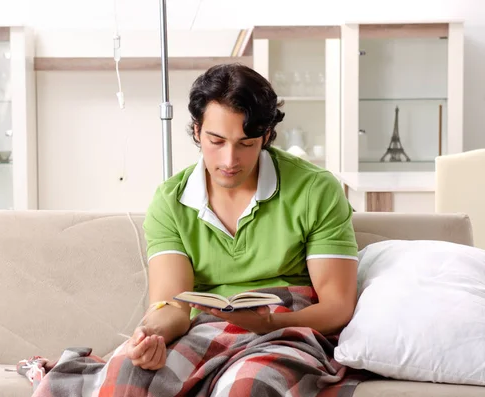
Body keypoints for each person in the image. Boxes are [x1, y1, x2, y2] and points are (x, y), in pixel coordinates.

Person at [124, 63, 359, 372]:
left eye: (245, 144)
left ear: (266, 136)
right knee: (127, 374)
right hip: (205, 329)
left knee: (246, 384)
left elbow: (337, 306)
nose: (229, 160)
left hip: (291, 328)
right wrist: (149, 334)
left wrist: (271, 322)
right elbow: (173, 306)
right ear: (197, 131)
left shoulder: (315, 189)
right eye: (216, 141)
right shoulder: (170, 201)